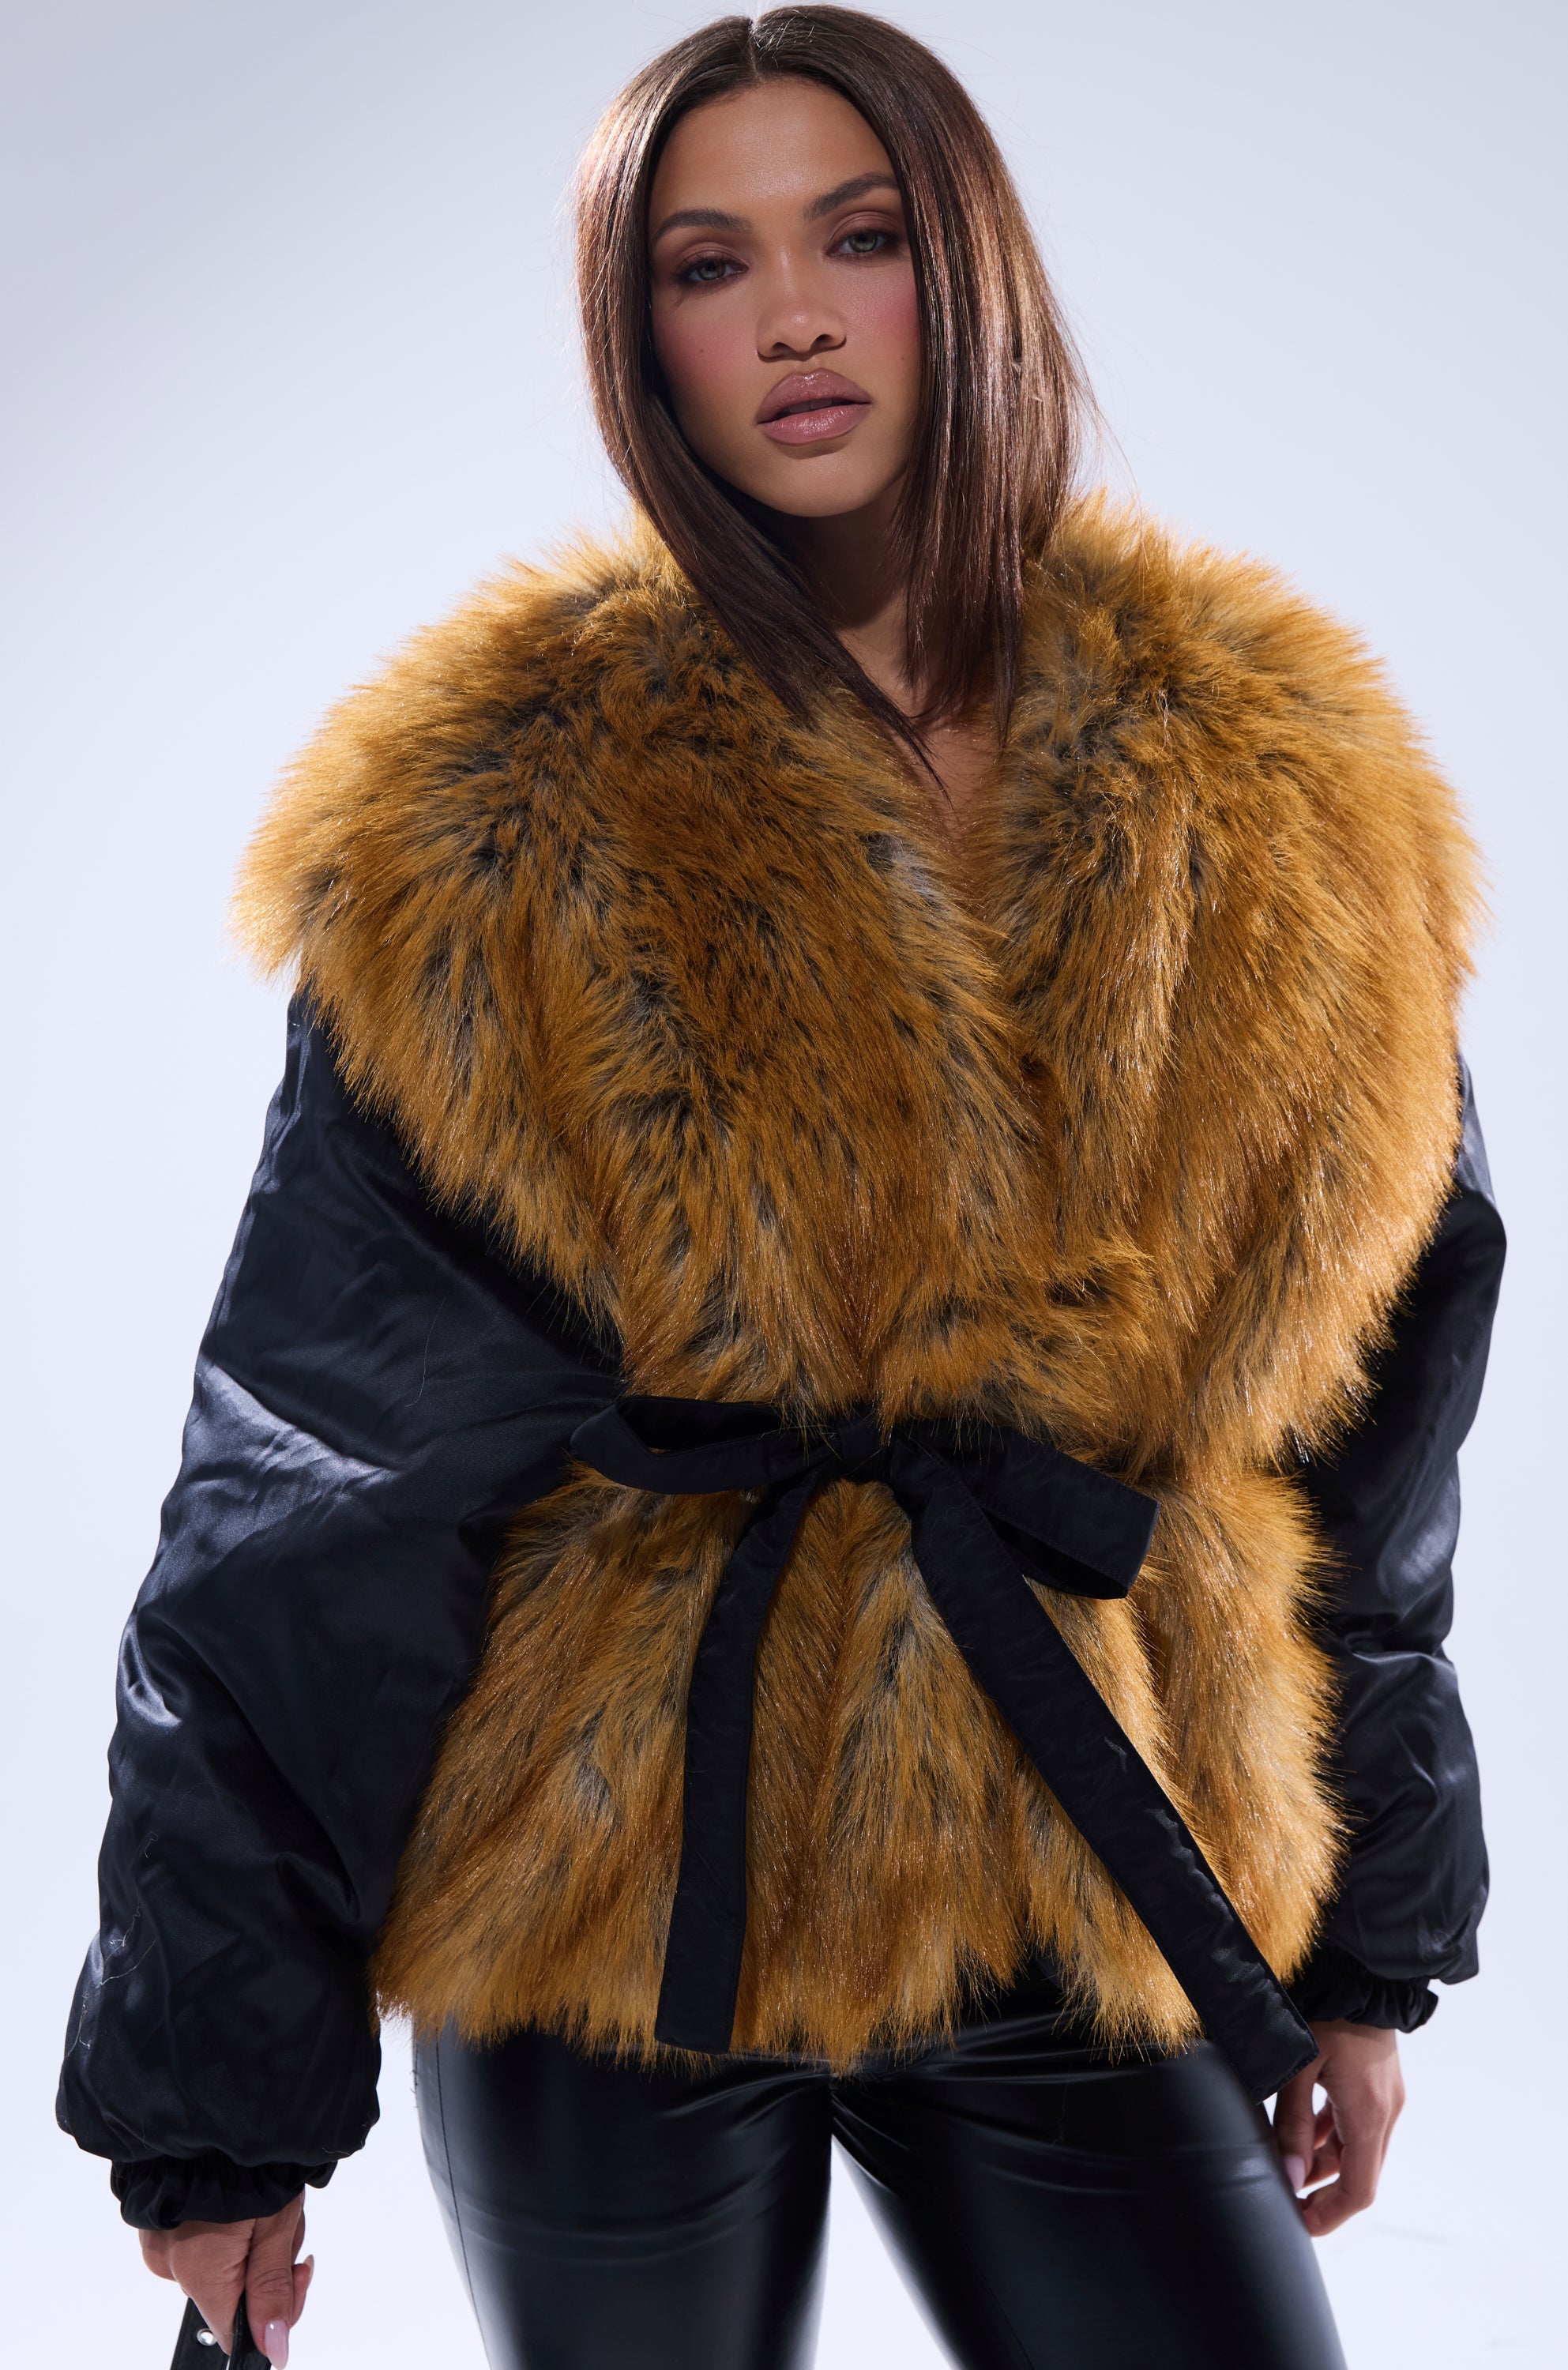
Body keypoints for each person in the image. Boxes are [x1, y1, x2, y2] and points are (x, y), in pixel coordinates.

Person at [58, 11, 1504, 2368]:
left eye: (862, 237)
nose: (799, 318)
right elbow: (315, 1477)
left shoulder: (1287, 796)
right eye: (709, 266)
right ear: (640, 339)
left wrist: (1367, 1950)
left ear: (974, 268)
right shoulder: (496, 813)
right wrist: (217, 2107)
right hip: (610, 1895)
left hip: (1085, 1848)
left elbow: (1378, 1434)